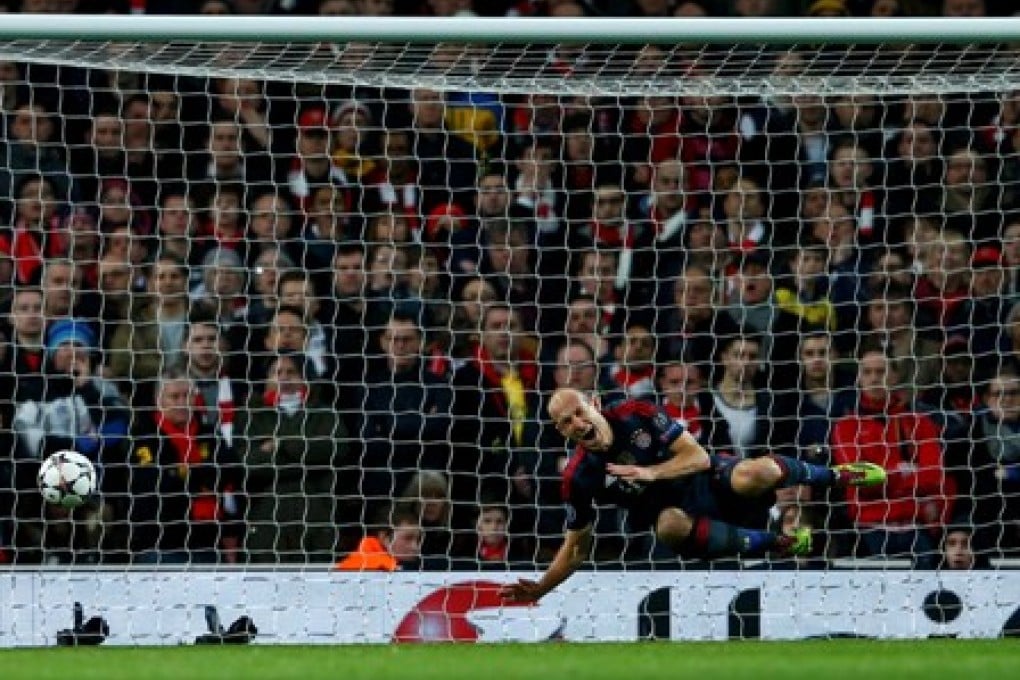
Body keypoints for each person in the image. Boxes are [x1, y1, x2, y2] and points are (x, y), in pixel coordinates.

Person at [501, 388, 886, 603]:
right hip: (684, 519)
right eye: (566, 422)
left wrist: (650, 472)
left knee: (757, 471)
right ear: (560, 431)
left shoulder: (638, 413)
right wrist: (541, 588)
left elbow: (698, 456)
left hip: (713, 480)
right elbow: (576, 547)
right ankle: (780, 543)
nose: (578, 424)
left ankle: (836, 475)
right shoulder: (578, 478)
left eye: (579, 412)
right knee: (666, 526)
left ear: (595, 403)